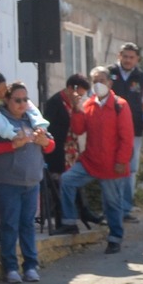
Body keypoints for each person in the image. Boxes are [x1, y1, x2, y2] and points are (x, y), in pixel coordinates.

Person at [62, 66, 138, 255]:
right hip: (91, 161)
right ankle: (69, 222)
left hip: (112, 164)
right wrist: (76, 109)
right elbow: (79, 130)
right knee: (66, 181)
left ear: (110, 83)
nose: (98, 84)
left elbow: (127, 137)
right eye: (94, 80)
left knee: (112, 203)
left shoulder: (120, 105)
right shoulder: (89, 104)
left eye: (101, 80)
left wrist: (122, 161)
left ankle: (115, 238)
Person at [0, 82, 54, 282]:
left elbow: (50, 145)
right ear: (7, 100)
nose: (22, 104)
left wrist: (45, 143)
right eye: (17, 100)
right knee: (9, 224)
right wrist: (12, 145)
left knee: (27, 225)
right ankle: (11, 268)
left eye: (25, 99)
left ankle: (31, 265)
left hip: (32, 181)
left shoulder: (33, 119)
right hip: (8, 181)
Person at [108, 42, 143, 213]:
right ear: (119, 56)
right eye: (125, 56)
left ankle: (126, 206)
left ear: (137, 59)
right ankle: (111, 206)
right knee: (109, 164)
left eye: (131, 57)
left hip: (134, 129)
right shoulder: (109, 74)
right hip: (109, 129)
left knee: (131, 167)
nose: (128, 60)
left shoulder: (142, 78)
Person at [42, 74, 92, 233]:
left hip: (72, 150)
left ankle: (82, 212)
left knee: (72, 183)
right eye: (80, 94)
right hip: (58, 151)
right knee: (59, 184)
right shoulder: (55, 102)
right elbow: (48, 128)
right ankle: (62, 222)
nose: (81, 98)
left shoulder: (74, 104)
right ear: (70, 88)